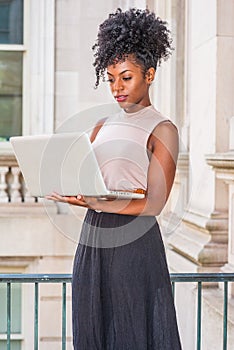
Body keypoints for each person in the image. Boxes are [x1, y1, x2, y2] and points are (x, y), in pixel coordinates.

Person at [47, 8, 182, 350]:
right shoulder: (100, 126)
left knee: (131, 330)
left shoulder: (162, 129)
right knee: (94, 329)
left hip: (134, 245)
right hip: (93, 239)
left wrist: (98, 201)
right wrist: (80, 195)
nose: (117, 87)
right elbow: (94, 182)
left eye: (126, 77)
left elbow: (154, 204)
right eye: (110, 78)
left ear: (149, 74)